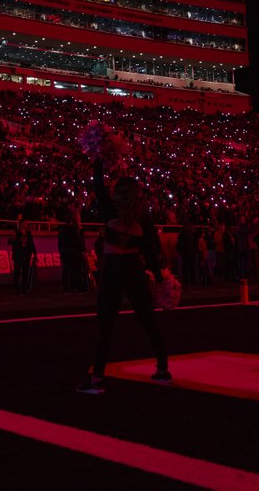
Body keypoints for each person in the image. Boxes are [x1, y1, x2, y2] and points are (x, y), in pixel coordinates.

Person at [77, 160, 169, 394]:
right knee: (148, 321)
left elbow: (97, 185)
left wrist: (99, 161)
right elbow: (149, 251)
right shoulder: (144, 219)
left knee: (106, 326)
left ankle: (97, 379)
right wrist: (159, 277)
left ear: (118, 194)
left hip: (112, 271)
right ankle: (163, 368)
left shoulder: (109, 210)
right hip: (134, 270)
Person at [9, 218, 37, 294]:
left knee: (25, 272)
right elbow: (10, 242)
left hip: (26, 255)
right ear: (21, 224)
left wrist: (35, 253)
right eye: (25, 223)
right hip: (18, 255)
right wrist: (12, 238)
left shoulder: (28, 233)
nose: (26, 225)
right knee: (17, 272)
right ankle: (17, 289)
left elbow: (31, 244)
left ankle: (24, 288)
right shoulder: (16, 232)